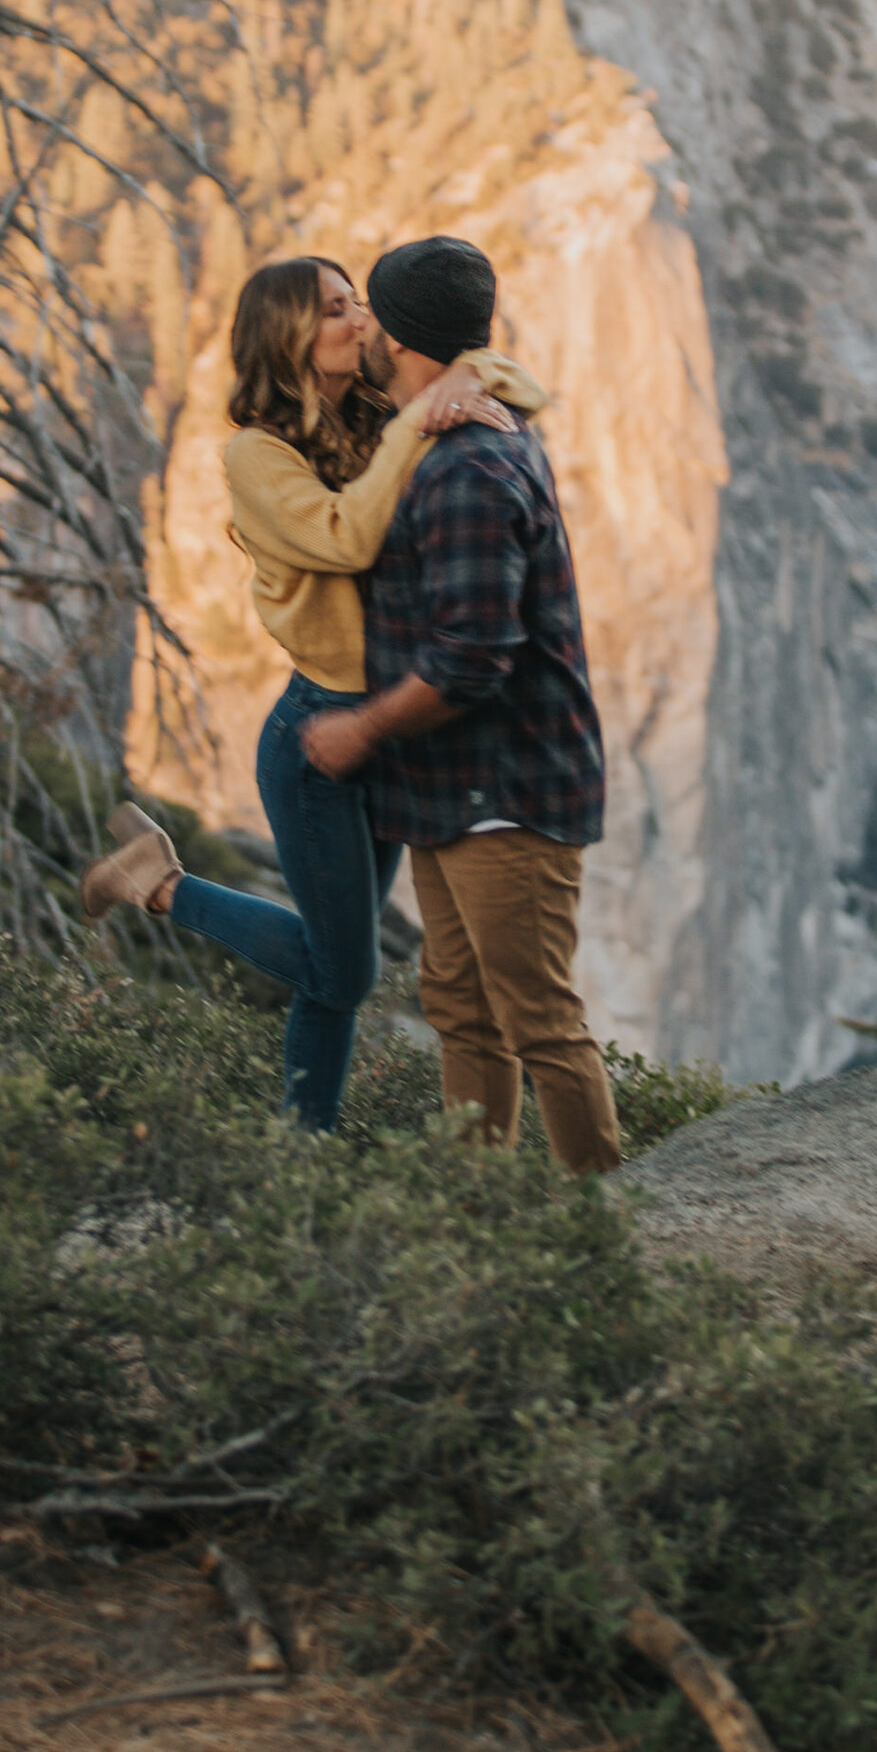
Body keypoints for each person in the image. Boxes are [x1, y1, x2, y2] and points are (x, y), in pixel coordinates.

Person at [80, 255, 537, 1131]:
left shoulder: (372, 406)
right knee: (347, 972)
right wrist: (421, 423)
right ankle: (161, 885)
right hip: (319, 740)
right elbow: (343, 536)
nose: (360, 322)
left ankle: (303, 1151)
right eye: (335, 310)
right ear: (289, 334)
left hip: (387, 729)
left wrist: (466, 374)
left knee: (331, 983)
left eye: (358, 305)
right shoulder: (255, 453)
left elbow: (514, 376)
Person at [299, 234, 622, 1177]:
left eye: (370, 314)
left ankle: (609, 1246)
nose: (357, 327)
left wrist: (359, 728)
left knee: (539, 1018)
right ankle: (481, 1234)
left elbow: (473, 657)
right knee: (462, 1009)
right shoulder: (446, 442)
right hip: (454, 792)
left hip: (506, 793)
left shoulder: (470, 471)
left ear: (397, 340)